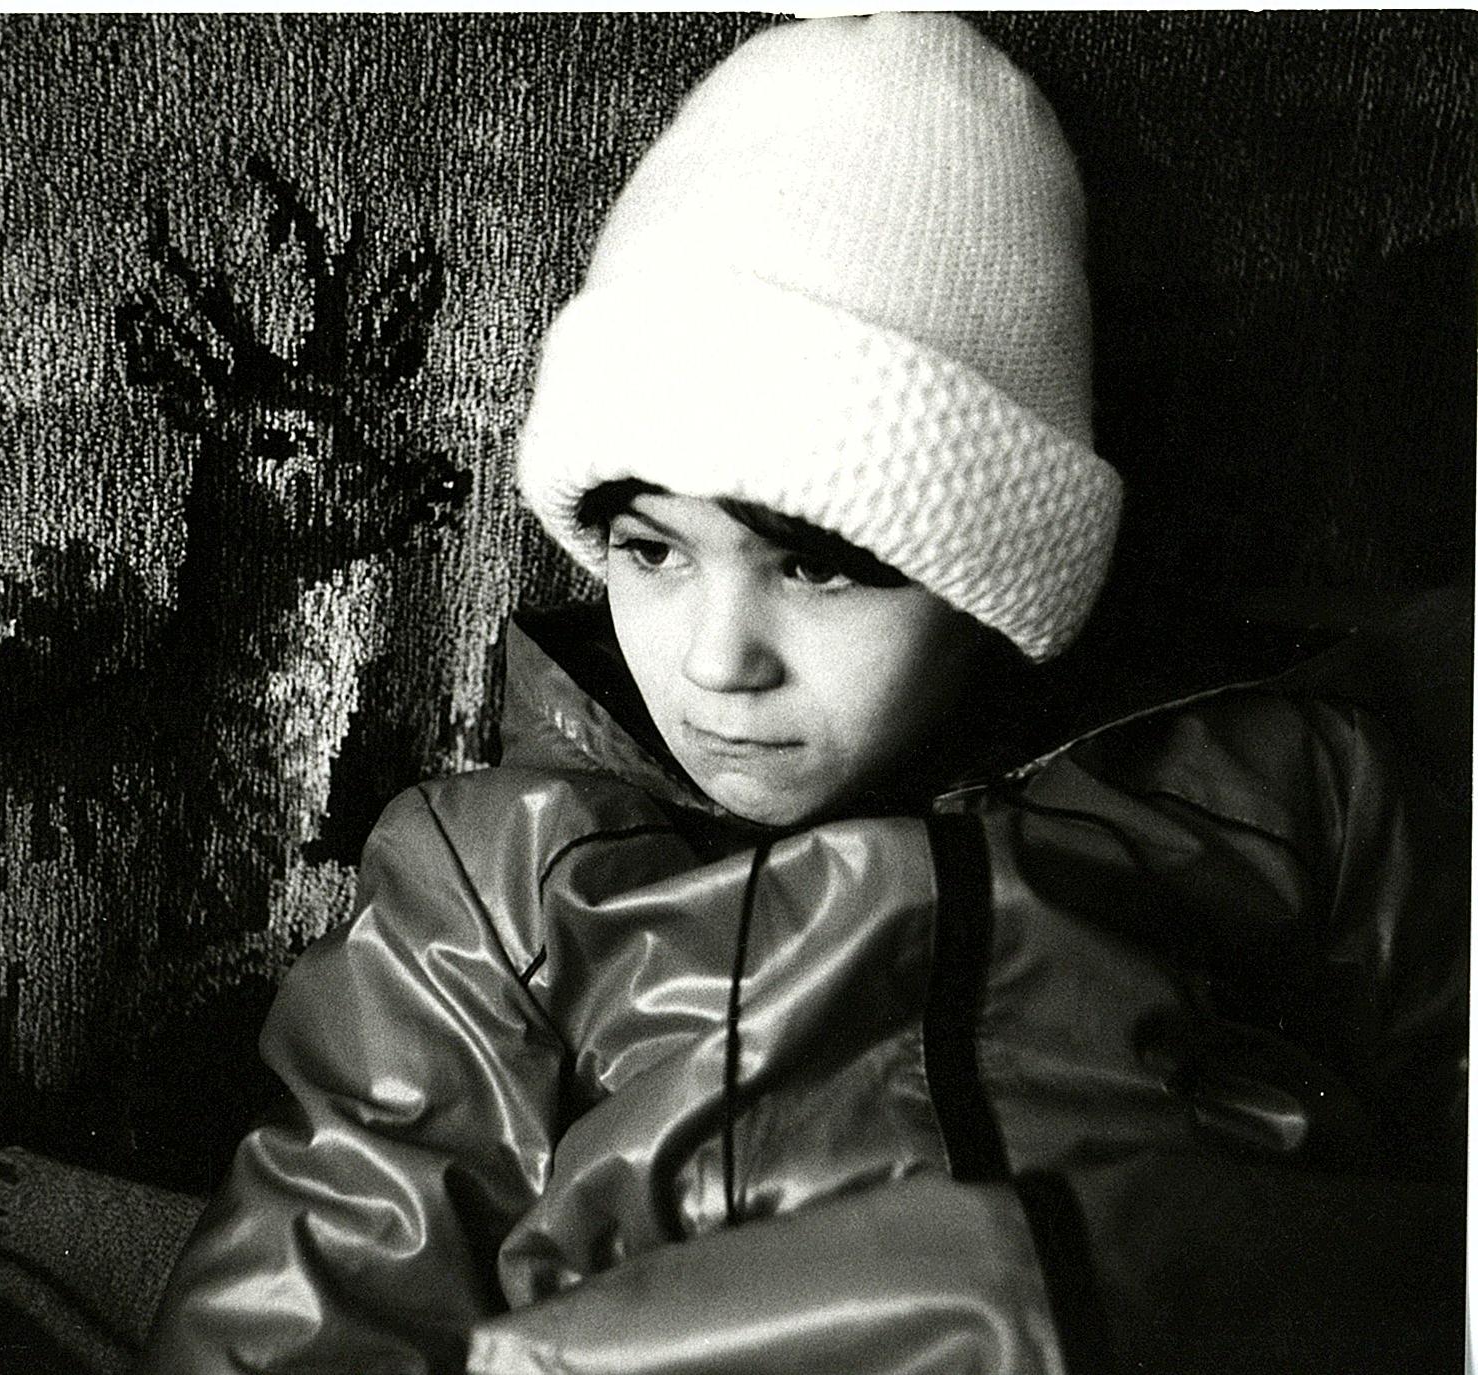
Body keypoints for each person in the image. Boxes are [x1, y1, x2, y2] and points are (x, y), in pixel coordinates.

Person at [141, 15, 1466, 1373]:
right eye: (652, 551)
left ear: (991, 575)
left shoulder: (1288, 791)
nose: (717, 662)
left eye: (818, 568)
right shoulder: (502, 881)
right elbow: (317, 1288)